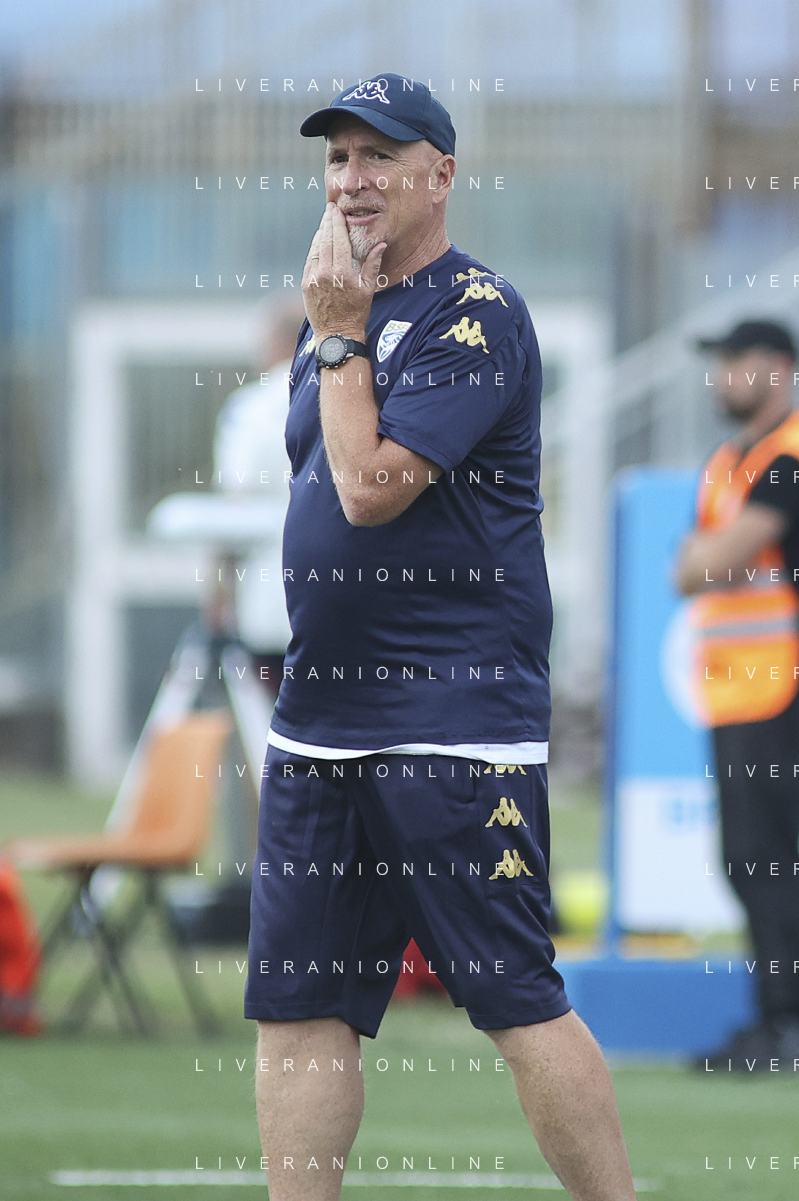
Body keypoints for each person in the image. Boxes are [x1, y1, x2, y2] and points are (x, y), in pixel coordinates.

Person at [244, 74, 636, 1200]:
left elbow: (369, 489)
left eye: (379, 155)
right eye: (337, 158)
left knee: (515, 997)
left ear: (441, 174)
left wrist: (336, 337)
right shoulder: (338, 310)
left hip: (451, 716)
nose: (351, 180)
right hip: (321, 716)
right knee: (298, 1008)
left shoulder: (477, 313)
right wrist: (335, 330)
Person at [676, 318, 799, 1069]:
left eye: (734, 361)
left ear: (777, 368)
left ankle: (785, 1024)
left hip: (780, 686)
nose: (720, 376)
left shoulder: (786, 457)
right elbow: (688, 567)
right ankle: (775, 1018)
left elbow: (709, 561)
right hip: (739, 689)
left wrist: (706, 559)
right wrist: (706, 559)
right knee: (752, 859)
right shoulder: (732, 461)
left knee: (769, 859)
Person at [212, 303, 303, 699]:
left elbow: (234, 506)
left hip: (268, 597)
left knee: (272, 715)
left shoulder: (249, 409)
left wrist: (218, 593)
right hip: (342, 596)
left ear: (277, 344)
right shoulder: (355, 397)